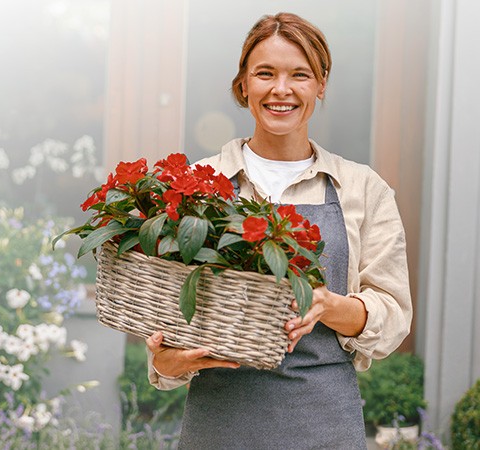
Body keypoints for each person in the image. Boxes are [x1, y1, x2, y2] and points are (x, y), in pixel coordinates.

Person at [145, 12, 412, 449]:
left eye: (299, 75)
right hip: (219, 424)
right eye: (264, 73)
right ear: (244, 84)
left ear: (320, 84)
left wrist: (326, 305)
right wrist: (168, 363)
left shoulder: (363, 189)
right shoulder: (200, 183)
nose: (281, 89)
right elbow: (167, 328)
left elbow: (393, 313)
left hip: (323, 423)